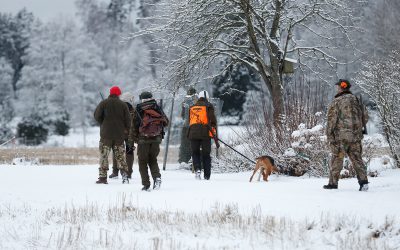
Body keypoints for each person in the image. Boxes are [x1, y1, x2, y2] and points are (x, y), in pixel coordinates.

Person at [323, 79, 369, 191]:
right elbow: (365, 117)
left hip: (341, 137)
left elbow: (331, 120)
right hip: (356, 136)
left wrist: (329, 133)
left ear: (341, 88)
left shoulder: (336, 101)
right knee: (357, 158)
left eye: (337, 87)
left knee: (337, 158)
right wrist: (357, 128)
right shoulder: (357, 100)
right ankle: (364, 182)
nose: (336, 88)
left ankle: (333, 183)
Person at [128, 91, 168, 191]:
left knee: (142, 162)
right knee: (153, 159)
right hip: (156, 139)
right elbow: (166, 122)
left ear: (142, 99)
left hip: (143, 140)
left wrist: (132, 141)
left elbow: (133, 127)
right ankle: (157, 178)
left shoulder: (139, 109)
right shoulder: (157, 107)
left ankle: (146, 185)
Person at [94, 86, 131, 184]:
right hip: (119, 135)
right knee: (120, 156)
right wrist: (125, 129)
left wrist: (103, 122)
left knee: (104, 156)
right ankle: (125, 176)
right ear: (119, 94)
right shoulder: (123, 105)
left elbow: (96, 116)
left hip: (106, 135)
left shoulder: (103, 103)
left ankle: (102, 178)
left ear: (110, 93)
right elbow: (128, 120)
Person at [188, 90, 218, 180]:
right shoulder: (209, 106)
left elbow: (190, 120)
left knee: (195, 152)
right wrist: (213, 129)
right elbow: (212, 119)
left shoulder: (192, 107)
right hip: (205, 133)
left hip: (193, 133)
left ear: (199, 97)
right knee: (206, 154)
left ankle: (197, 169)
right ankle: (207, 175)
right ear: (207, 97)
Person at [109, 92, 135, 179]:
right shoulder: (133, 109)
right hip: (130, 134)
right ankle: (128, 173)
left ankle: (115, 172)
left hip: (118, 133)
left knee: (117, 152)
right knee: (129, 152)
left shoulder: (117, 107)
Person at [178, 87, 197, 165]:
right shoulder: (197, 102)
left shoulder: (185, 103)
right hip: (195, 127)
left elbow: (183, 116)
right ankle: (191, 161)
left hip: (186, 127)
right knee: (193, 144)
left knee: (185, 145)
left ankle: (184, 161)